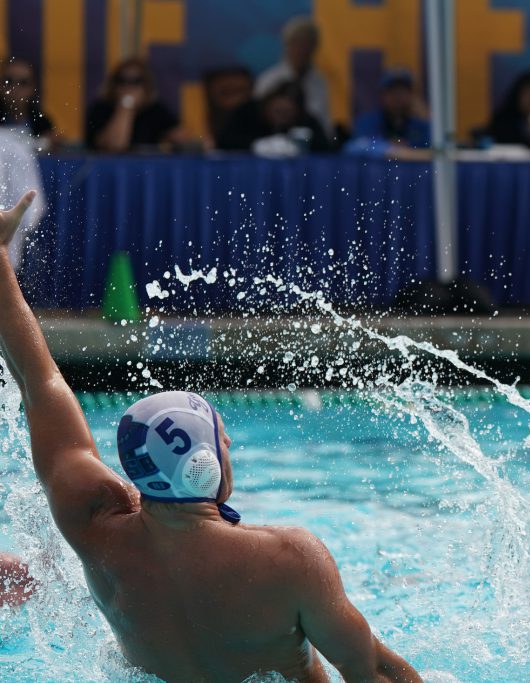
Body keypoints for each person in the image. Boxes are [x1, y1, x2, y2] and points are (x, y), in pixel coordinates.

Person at [0, 191, 420, 681]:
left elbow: (40, 382)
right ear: (206, 462)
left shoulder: (95, 532)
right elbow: (367, 674)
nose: (231, 447)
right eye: (223, 441)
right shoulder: (290, 558)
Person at [85, 57, 190, 152]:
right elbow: (115, 146)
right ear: (113, 85)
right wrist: (126, 106)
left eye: (136, 81)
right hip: (108, 171)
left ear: (146, 87)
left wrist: (172, 138)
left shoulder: (155, 110)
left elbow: (182, 137)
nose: (128, 87)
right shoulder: (101, 109)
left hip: (145, 171)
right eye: (122, 80)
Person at [255, 16, 333, 139]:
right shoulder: (268, 80)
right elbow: (257, 120)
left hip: (311, 147)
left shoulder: (319, 82)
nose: (301, 49)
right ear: (287, 45)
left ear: (314, 48)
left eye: (307, 44)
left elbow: (324, 121)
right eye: (296, 43)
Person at [216, 80, 331, 155]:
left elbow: (327, 147)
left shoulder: (305, 121)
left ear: (297, 113)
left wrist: (300, 145)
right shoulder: (248, 111)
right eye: (277, 111)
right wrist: (255, 145)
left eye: (286, 113)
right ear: (268, 104)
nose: (280, 117)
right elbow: (223, 139)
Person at [345, 67, 431, 157]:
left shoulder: (421, 125)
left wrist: (428, 118)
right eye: (393, 91)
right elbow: (353, 147)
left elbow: (439, 149)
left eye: (402, 91)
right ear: (383, 95)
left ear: (412, 95)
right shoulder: (368, 122)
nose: (398, 97)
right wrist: (390, 150)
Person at [0, 57, 59, 151]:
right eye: (9, 81)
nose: (15, 88)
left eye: (23, 83)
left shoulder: (42, 123)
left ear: (33, 88)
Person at [202, 66, 254, 142]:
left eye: (238, 90)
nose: (231, 84)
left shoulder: (260, 121)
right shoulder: (191, 118)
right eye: (226, 91)